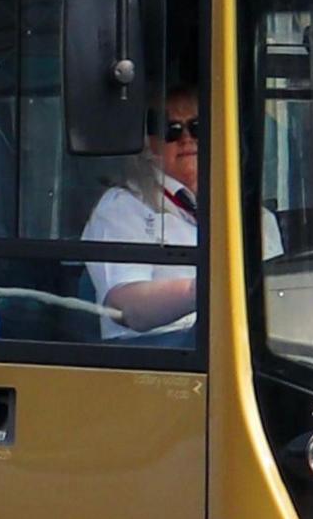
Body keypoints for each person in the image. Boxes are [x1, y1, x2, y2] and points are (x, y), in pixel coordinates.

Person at [82, 83, 279, 339]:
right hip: (159, 359)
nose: (187, 138)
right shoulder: (122, 207)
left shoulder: (254, 216)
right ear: (147, 142)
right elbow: (127, 309)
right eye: (170, 130)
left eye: (198, 127)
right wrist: (209, 289)